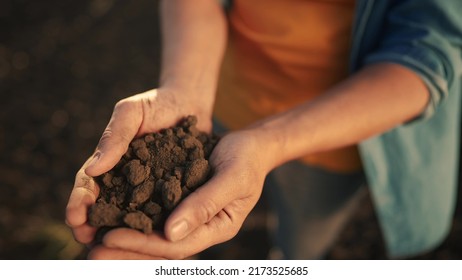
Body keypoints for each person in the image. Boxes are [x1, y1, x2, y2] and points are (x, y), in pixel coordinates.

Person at [66, 0, 462, 259]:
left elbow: (429, 53)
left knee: (305, 233)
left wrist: (270, 142)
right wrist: (185, 88)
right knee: (218, 184)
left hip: (337, 134)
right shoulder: (195, 124)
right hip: (222, 94)